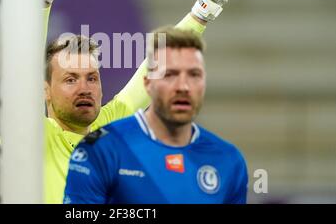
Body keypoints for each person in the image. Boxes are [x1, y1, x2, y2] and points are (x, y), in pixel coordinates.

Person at [42, 0, 246, 203]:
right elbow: (20, 71)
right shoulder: (33, 135)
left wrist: (206, 7)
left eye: (91, 77)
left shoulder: (108, 126)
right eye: (70, 79)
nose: (84, 88)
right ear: (44, 90)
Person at [64, 27, 248, 204]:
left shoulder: (229, 159)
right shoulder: (98, 152)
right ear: (147, 84)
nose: (183, 86)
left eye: (194, 75)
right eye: (170, 75)